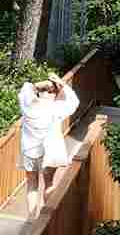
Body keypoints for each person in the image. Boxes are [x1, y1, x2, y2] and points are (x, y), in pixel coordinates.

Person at [18, 73, 79, 216]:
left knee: (32, 185)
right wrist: (60, 84)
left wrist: (42, 84)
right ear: (53, 93)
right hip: (50, 152)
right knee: (49, 184)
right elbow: (74, 101)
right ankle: (46, 219)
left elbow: (26, 89)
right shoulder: (55, 109)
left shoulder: (28, 106)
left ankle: (31, 219)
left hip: (29, 151)